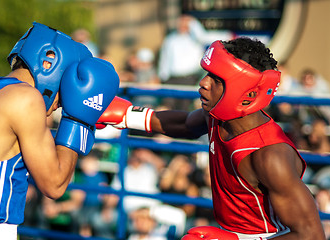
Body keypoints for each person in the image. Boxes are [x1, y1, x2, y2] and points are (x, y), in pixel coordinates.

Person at [97, 37, 326, 239]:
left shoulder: (269, 155)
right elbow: (185, 124)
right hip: (230, 232)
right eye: (208, 74)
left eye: (217, 79)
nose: (203, 83)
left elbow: (310, 235)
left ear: (245, 94)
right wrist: (126, 116)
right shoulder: (217, 117)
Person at [0, 22, 119, 239]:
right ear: (50, 64)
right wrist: (77, 119)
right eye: (67, 87)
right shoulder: (25, 98)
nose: (62, 101)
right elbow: (54, 185)